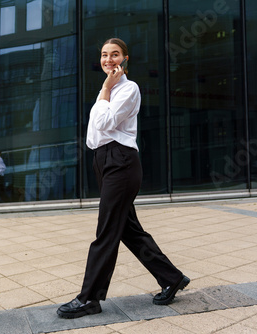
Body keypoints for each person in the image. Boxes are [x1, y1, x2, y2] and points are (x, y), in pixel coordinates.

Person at [57, 38, 189, 319]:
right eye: (104, 55)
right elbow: (93, 136)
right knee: (128, 229)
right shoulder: (106, 90)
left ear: (125, 59)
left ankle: (89, 298)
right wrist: (104, 93)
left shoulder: (128, 89)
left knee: (106, 231)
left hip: (121, 162)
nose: (109, 60)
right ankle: (171, 277)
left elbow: (103, 124)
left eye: (114, 55)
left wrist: (105, 90)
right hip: (104, 161)